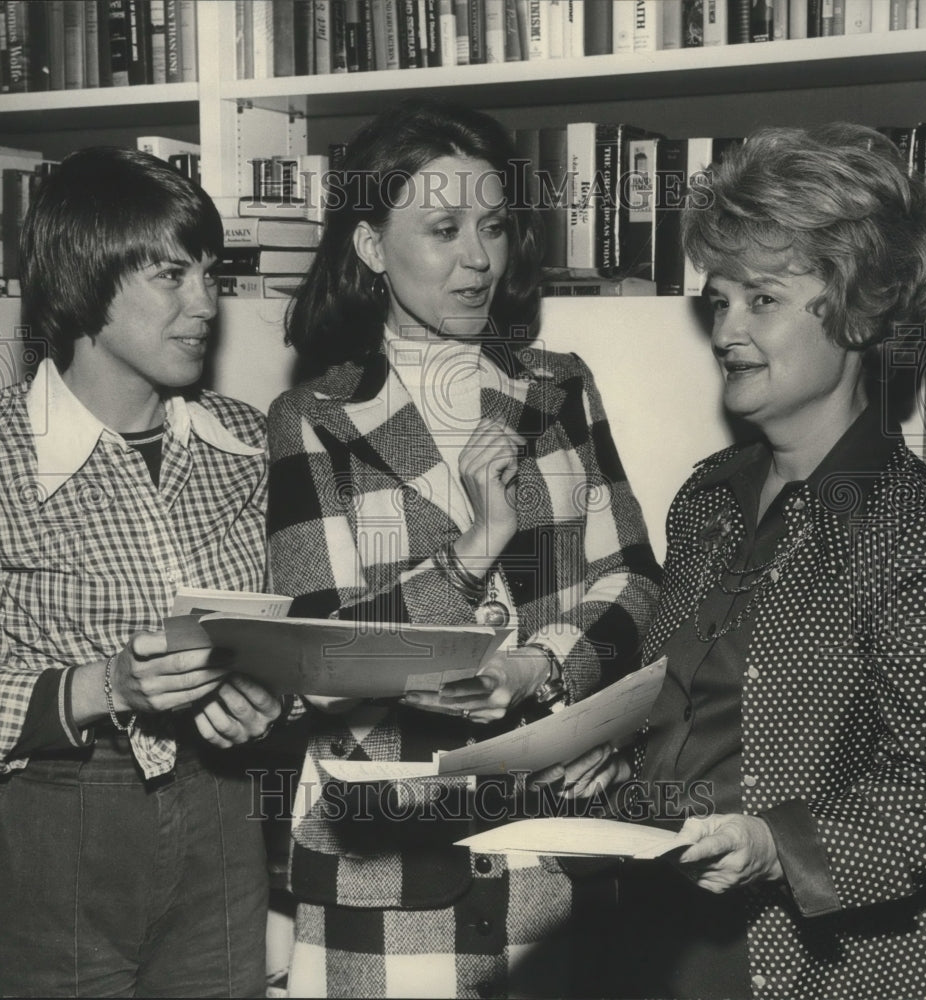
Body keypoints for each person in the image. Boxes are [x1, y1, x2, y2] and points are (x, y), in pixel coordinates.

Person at [547, 123, 926, 999]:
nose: (727, 329)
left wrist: (776, 844)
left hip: (812, 966)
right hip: (658, 947)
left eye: (761, 299)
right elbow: (692, 721)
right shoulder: (708, 498)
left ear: (859, 308)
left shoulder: (922, 534)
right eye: (719, 298)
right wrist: (610, 763)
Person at [266, 99, 662, 998]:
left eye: (491, 226)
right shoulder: (313, 422)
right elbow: (321, 655)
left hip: (560, 850)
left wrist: (541, 672)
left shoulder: (560, 390)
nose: (478, 259)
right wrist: (475, 548)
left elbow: (637, 580)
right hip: (386, 864)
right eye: (442, 229)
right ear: (371, 247)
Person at [0, 146, 284, 998]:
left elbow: (288, 633)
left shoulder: (246, 442)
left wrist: (268, 698)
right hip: (52, 823)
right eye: (170, 277)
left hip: (222, 817)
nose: (207, 305)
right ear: (84, 282)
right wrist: (107, 684)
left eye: (211, 276)